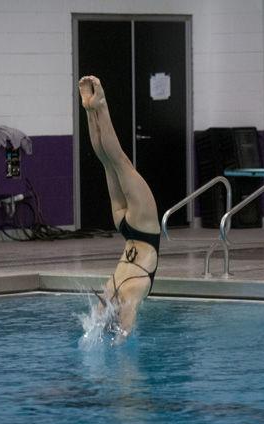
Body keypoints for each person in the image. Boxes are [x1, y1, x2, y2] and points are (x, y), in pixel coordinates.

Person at [78, 75, 160, 341]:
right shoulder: (114, 293)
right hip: (128, 227)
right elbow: (115, 328)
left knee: (116, 160)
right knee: (109, 160)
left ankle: (97, 107)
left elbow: (119, 329)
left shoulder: (122, 293)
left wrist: (119, 340)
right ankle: (91, 108)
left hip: (141, 229)